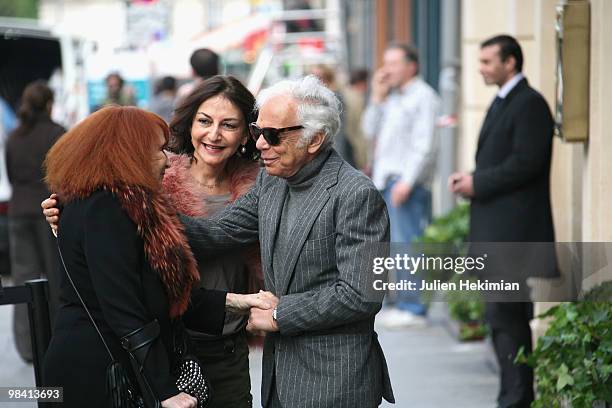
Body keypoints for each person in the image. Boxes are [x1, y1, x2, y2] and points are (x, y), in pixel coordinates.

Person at [178, 75, 394, 408]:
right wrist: (124, 207)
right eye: (257, 131)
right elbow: (216, 233)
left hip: (336, 382)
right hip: (280, 379)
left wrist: (281, 313)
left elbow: (363, 294)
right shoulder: (272, 179)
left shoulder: (357, 194)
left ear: (314, 140)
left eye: (273, 135)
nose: (261, 144)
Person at [41, 106, 269, 408]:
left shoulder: (122, 204)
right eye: (160, 150)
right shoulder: (105, 206)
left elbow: (163, 294)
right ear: (129, 152)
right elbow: (123, 306)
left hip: (115, 365)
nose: (166, 160)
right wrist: (164, 390)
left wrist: (239, 301)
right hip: (96, 373)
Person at [449, 35, 558, 408]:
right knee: (501, 320)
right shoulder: (504, 101)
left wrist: (476, 182)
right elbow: (504, 162)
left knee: (507, 319)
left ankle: (515, 399)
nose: (480, 68)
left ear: (510, 62)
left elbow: (526, 163)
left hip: (514, 237)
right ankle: (512, 396)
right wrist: (471, 179)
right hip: (499, 234)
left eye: (487, 61)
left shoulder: (529, 104)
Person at [165, 75, 262, 407]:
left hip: (229, 351)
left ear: (246, 134)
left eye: (229, 125)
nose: (214, 135)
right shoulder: (158, 185)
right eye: (205, 121)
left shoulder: (261, 188)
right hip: (170, 349)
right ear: (190, 123)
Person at [362, 43, 440, 328]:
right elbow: (368, 130)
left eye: (394, 63)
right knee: (394, 246)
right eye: (386, 63)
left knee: (408, 245)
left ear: (412, 66)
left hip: (405, 183)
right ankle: (403, 301)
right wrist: (377, 97)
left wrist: (407, 181)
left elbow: (425, 145)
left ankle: (414, 307)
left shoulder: (424, 97)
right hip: (385, 180)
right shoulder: (392, 98)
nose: (387, 70)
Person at [6, 81, 65, 362]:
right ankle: (55, 342)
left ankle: (28, 348)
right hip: (48, 210)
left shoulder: (14, 136)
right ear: (50, 104)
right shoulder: (56, 134)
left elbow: (11, 173)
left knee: (23, 280)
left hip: (18, 212)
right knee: (56, 279)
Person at [309, 64, 355, 167]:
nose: (315, 81)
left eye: (318, 77)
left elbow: (339, 130)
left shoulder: (335, 98)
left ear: (327, 78)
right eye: (311, 77)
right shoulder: (313, 98)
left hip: (333, 148)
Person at [342, 68, 370, 171]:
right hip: (352, 151)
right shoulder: (357, 99)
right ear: (362, 83)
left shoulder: (344, 93)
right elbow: (359, 131)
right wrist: (364, 160)